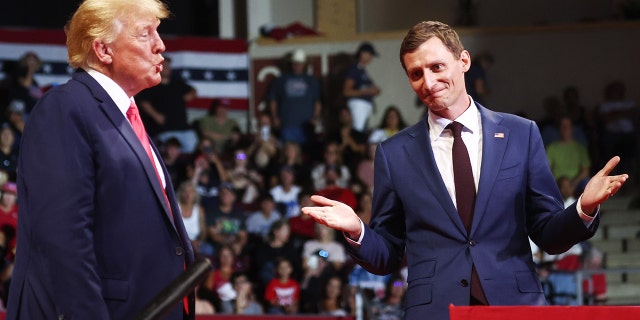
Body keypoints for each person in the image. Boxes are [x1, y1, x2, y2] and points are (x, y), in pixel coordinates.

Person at [301, 20, 628, 320]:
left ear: (464, 61)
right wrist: (357, 229)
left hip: (513, 306)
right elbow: (387, 254)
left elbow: (548, 234)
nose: (428, 82)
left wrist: (583, 208)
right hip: (434, 312)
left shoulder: (520, 133)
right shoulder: (394, 152)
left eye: (436, 66)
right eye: (416, 74)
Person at [6, 0, 197, 319]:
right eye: (145, 33)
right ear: (103, 50)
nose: (160, 45)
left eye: (158, 33)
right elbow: (63, 236)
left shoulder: (125, 117)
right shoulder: (65, 107)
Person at [136, 56, 198, 153]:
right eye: (164, 66)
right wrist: (155, 115)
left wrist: (190, 95)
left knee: (192, 149)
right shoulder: (152, 84)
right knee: (169, 154)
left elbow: (193, 90)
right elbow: (143, 102)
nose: (167, 68)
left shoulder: (177, 83)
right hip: (164, 129)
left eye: (169, 66)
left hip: (183, 128)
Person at [268, 49, 322, 147]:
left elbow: (317, 102)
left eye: (300, 64)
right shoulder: (281, 80)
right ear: (291, 64)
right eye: (295, 63)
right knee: (289, 151)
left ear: (304, 65)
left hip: (306, 126)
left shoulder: (312, 81)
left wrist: (315, 118)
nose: (298, 66)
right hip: (287, 124)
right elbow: (273, 100)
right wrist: (275, 117)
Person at [343, 42, 381, 132]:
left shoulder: (362, 70)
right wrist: (367, 91)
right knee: (358, 131)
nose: (371, 58)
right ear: (363, 54)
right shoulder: (354, 69)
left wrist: (374, 90)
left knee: (362, 130)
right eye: (370, 54)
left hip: (364, 106)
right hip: (358, 105)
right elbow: (346, 91)